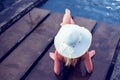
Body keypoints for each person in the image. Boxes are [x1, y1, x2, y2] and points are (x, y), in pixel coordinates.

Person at [49, 9, 95, 75]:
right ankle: (69, 15)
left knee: (65, 24)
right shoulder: (84, 53)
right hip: (77, 56)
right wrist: (87, 57)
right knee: (72, 27)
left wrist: (57, 59)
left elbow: (57, 72)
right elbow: (89, 70)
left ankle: (68, 14)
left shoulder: (58, 54)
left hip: (65, 46)